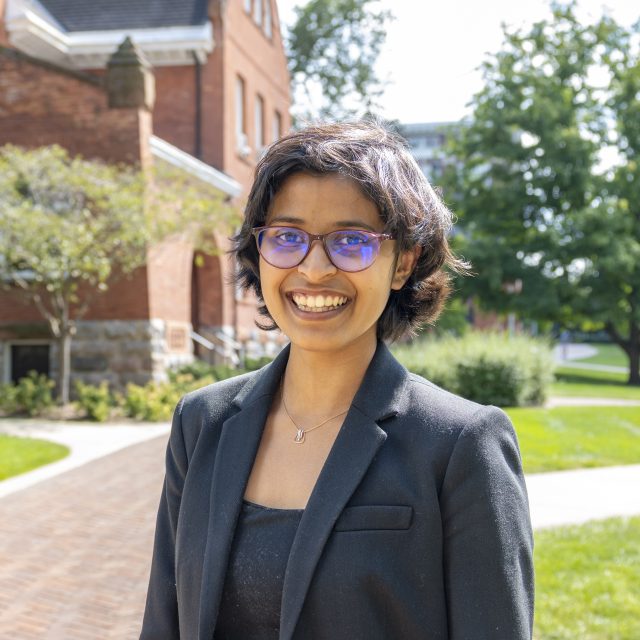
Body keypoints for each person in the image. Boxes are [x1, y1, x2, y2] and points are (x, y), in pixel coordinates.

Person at [140, 121, 534, 640]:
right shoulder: (201, 422)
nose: (316, 268)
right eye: (287, 237)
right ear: (260, 254)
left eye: (352, 241)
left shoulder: (460, 445)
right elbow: (164, 625)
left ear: (403, 263)